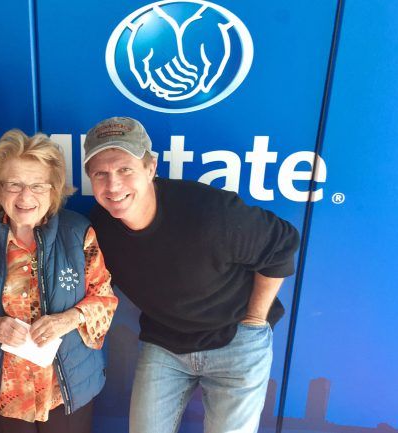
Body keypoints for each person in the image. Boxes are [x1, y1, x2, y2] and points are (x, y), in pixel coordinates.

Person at [83, 117, 301, 433]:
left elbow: (282, 244)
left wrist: (255, 320)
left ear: (150, 168)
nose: (113, 185)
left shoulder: (210, 211)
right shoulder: (100, 227)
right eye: (100, 174)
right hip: (165, 342)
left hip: (235, 337)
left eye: (125, 169)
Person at [0, 129, 118, 433]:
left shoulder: (78, 232)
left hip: (67, 385)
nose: (26, 197)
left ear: (54, 190)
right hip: (7, 388)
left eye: (38, 185)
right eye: (14, 184)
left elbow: (104, 297)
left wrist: (68, 319)